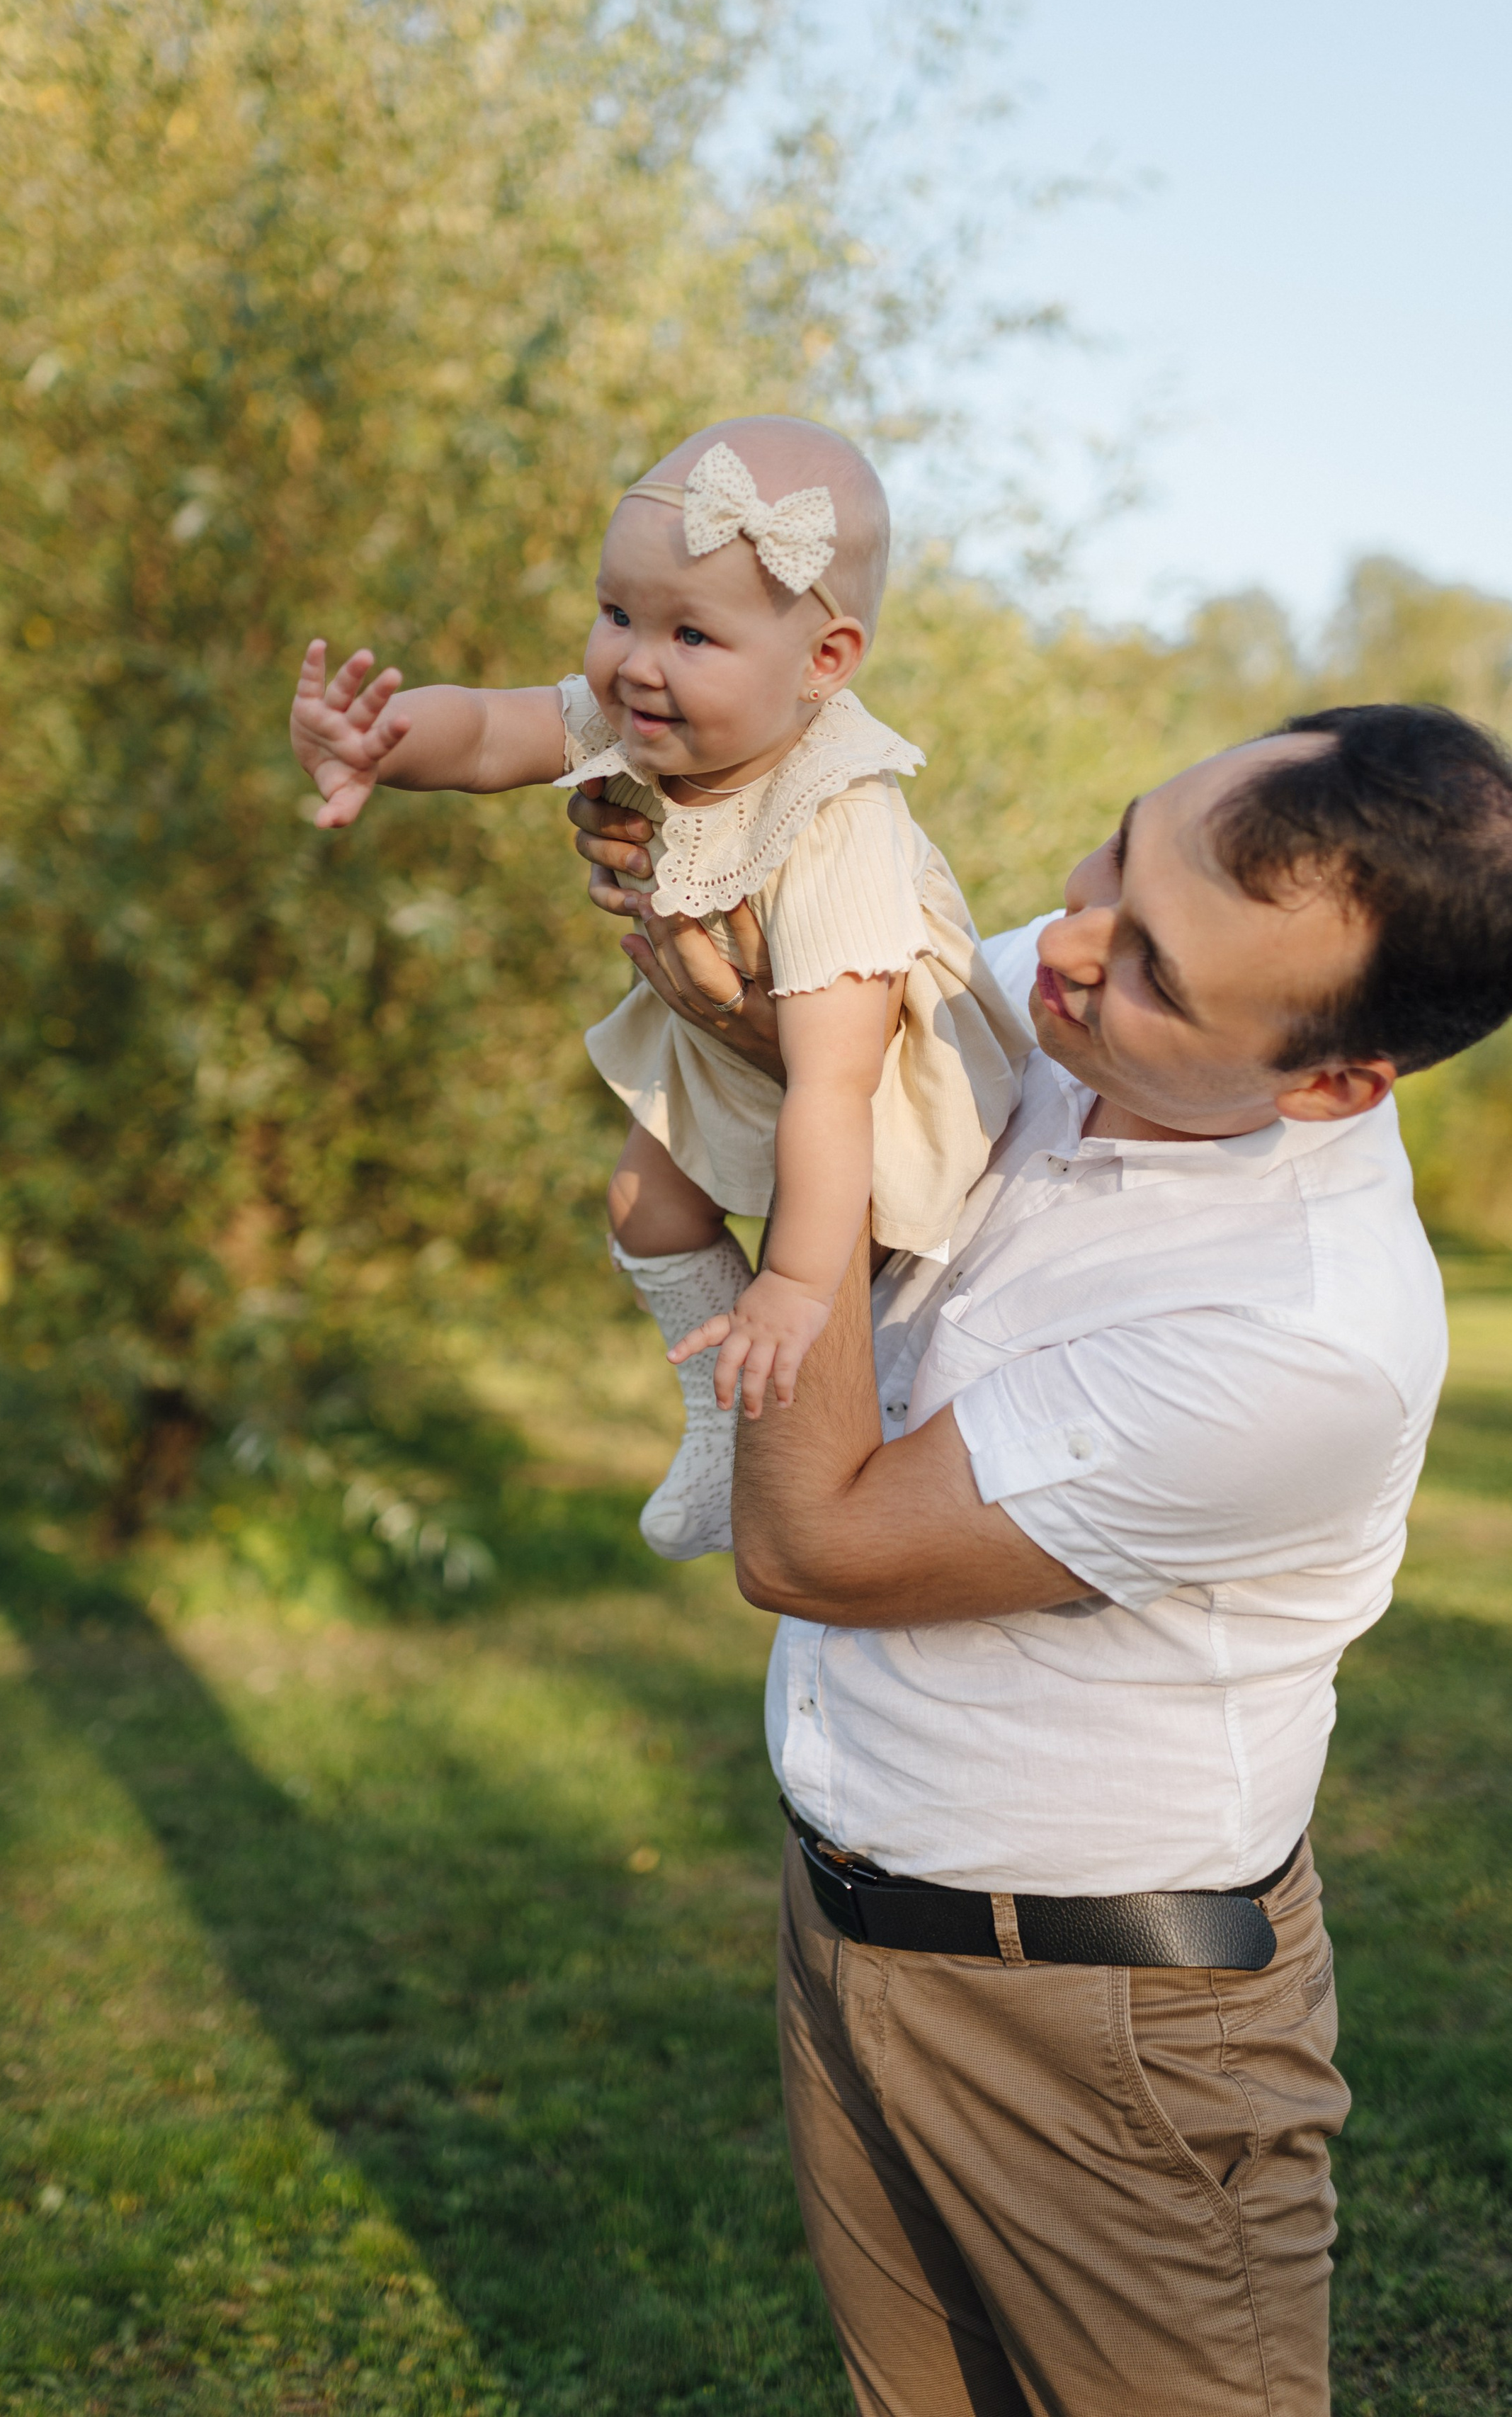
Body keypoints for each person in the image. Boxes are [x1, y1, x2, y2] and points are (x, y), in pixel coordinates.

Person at [568, 702, 1512, 2417]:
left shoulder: (1296, 1338)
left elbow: (814, 1540)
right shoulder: (1078, 987)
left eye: (1153, 967)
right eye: (1115, 851)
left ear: (1328, 1081)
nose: (1060, 948)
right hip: (850, 1916)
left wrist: (821, 1105)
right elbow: (812, 1013)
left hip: (1105, 2027)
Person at [288, 414, 1027, 1560]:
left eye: (691, 633)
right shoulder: (648, 718)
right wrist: (382, 746)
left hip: (872, 1084)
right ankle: (720, 1417)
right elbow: (492, 731)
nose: (635, 660)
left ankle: (801, 1372)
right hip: (733, 1029)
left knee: (817, 1274)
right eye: (617, 613)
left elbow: (835, 1082)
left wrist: (788, 1285)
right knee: (644, 1206)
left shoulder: (838, 819)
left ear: (824, 664)